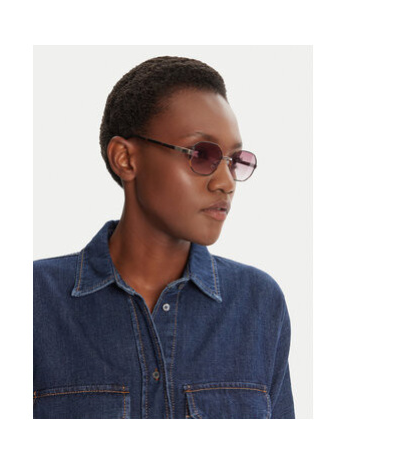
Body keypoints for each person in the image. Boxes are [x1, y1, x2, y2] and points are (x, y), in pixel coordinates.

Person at [33, 55, 295, 419]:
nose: (226, 182)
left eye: (235, 160)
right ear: (126, 159)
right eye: (202, 154)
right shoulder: (35, 302)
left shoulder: (258, 304)